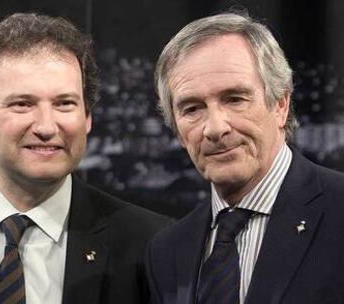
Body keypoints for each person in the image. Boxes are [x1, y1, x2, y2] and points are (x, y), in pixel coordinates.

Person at [0, 13, 169, 304]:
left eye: (65, 104)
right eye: (22, 104)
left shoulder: (151, 245)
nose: (46, 126)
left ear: (88, 117)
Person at [145, 12, 344, 304]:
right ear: (175, 127)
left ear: (280, 104)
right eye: (192, 109)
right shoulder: (166, 251)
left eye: (234, 99)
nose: (215, 128)